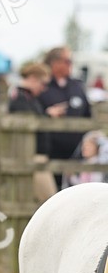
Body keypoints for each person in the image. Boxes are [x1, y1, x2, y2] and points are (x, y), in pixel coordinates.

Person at [38, 47, 91, 189]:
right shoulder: (43, 87)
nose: (70, 64)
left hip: (76, 156)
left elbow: (88, 115)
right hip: (50, 154)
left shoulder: (77, 86)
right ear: (55, 63)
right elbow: (33, 114)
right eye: (67, 61)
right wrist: (47, 114)